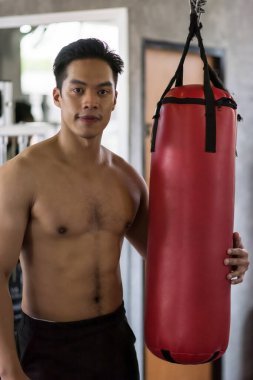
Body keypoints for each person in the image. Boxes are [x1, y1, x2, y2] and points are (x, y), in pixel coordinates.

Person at [0, 38, 249, 380]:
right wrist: (9, 369)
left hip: (113, 339)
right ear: (58, 96)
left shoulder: (127, 179)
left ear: (115, 98)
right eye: (78, 90)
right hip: (48, 345)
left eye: (103, 91)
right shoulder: (20, 175)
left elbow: (168, 256)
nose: (90, 101)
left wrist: (229, 260)